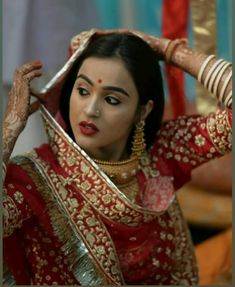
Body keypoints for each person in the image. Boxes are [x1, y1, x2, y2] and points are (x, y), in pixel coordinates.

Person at [2, 29, 232, 285]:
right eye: (83, 91)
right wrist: (9, 131)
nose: (90, 110)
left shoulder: (161, 151)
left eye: (111, 99)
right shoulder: (35, 180)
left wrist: (167, 50)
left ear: (142, 111)